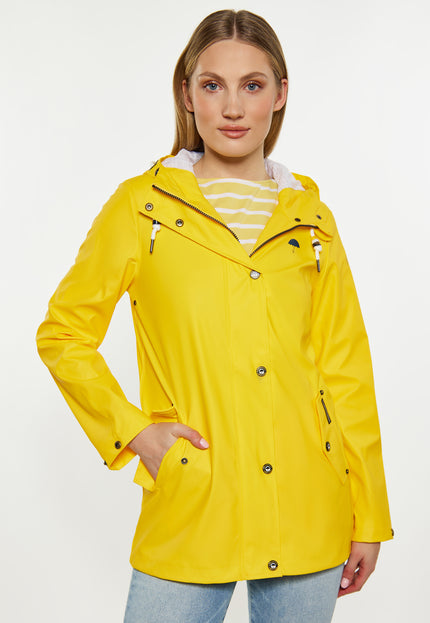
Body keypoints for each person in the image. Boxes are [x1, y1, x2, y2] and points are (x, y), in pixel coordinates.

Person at [36, 9, 393, 623]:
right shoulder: (141, 208)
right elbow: (64, 333)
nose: (232, 107)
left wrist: (370, 516)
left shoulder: (312, 220)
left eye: (252, 85)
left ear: (280, 95)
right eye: (212, 85)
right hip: (194, 504)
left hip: (309, 507)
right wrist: (135, 433)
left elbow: (346, 373)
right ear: (187, 94)